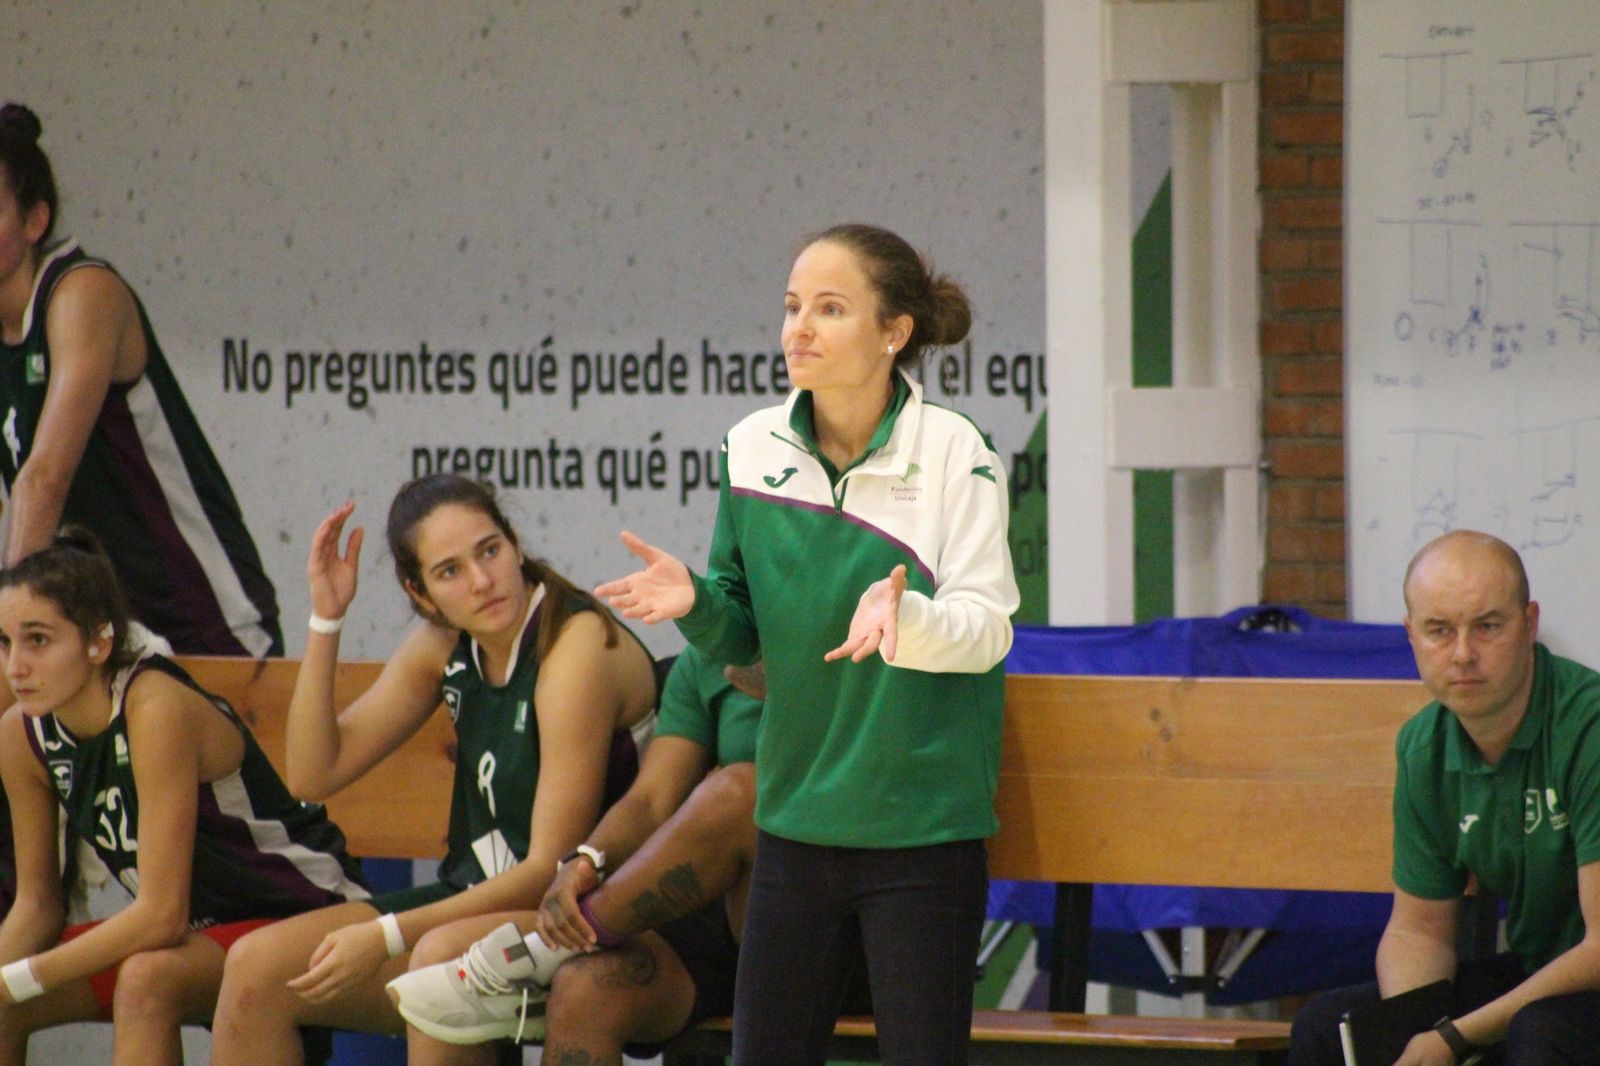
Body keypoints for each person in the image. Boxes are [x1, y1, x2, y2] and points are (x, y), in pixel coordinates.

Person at [595, 223, 1019, 1066]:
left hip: (921, 836)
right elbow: (743, 633)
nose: (799, 330)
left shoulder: (954, 452)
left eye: (830, 309)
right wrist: (696, 605)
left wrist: (912, 620)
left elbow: (989, 624)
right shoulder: (751, 448)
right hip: (793, 826)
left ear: (894, 332)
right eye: (793, 308)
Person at [208, 474, 658, 1065]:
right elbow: (313, 774)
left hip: (582, 912)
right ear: (420, 593)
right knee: (255, 968)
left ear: (516, 545)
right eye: (449, 571)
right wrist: (326, 620)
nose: (481, 580)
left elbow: (549, 866)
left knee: (434, 964)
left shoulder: (573, 648)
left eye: (489, 550)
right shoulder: (442, 644)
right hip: (477, 901)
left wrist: (386, 935)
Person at [0, 531, 368, 1066]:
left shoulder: (154, 709)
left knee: (146, 979)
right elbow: (36, 905)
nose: (15, 667)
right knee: (11, 1003)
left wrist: (21, 977)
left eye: (37, 640)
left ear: (98, 643)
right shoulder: (20, 735)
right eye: (4, 642)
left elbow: (160, 916)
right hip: (199, 933)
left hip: (301, 910)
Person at [1287, 530, 1600, 1066]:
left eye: (1488, 626)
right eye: (1439, 631)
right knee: (1328, 1028)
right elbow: (1419, 930)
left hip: (1579, 985)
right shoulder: (1423, 747)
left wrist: (1455, 1038)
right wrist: (1408, 1031)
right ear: (1411, 636)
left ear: (1530, 623)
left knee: (1538, 1034)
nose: (1462, 654)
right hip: (1539, 975)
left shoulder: (1588, 727)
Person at [386, 645, 771, 1063]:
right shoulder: (710, 654)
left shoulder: (848, 639)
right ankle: (559, 951)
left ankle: (548, 951)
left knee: (742, 793)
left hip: (826, 920)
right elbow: (651, 801)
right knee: (582, 989)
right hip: (721, 919)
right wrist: (585, 859)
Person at [0, 102, 280, 657]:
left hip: (197, 615)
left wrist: (9, 633)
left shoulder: (81, 293)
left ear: (35, 221)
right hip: (100, 637)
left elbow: (45, 478)